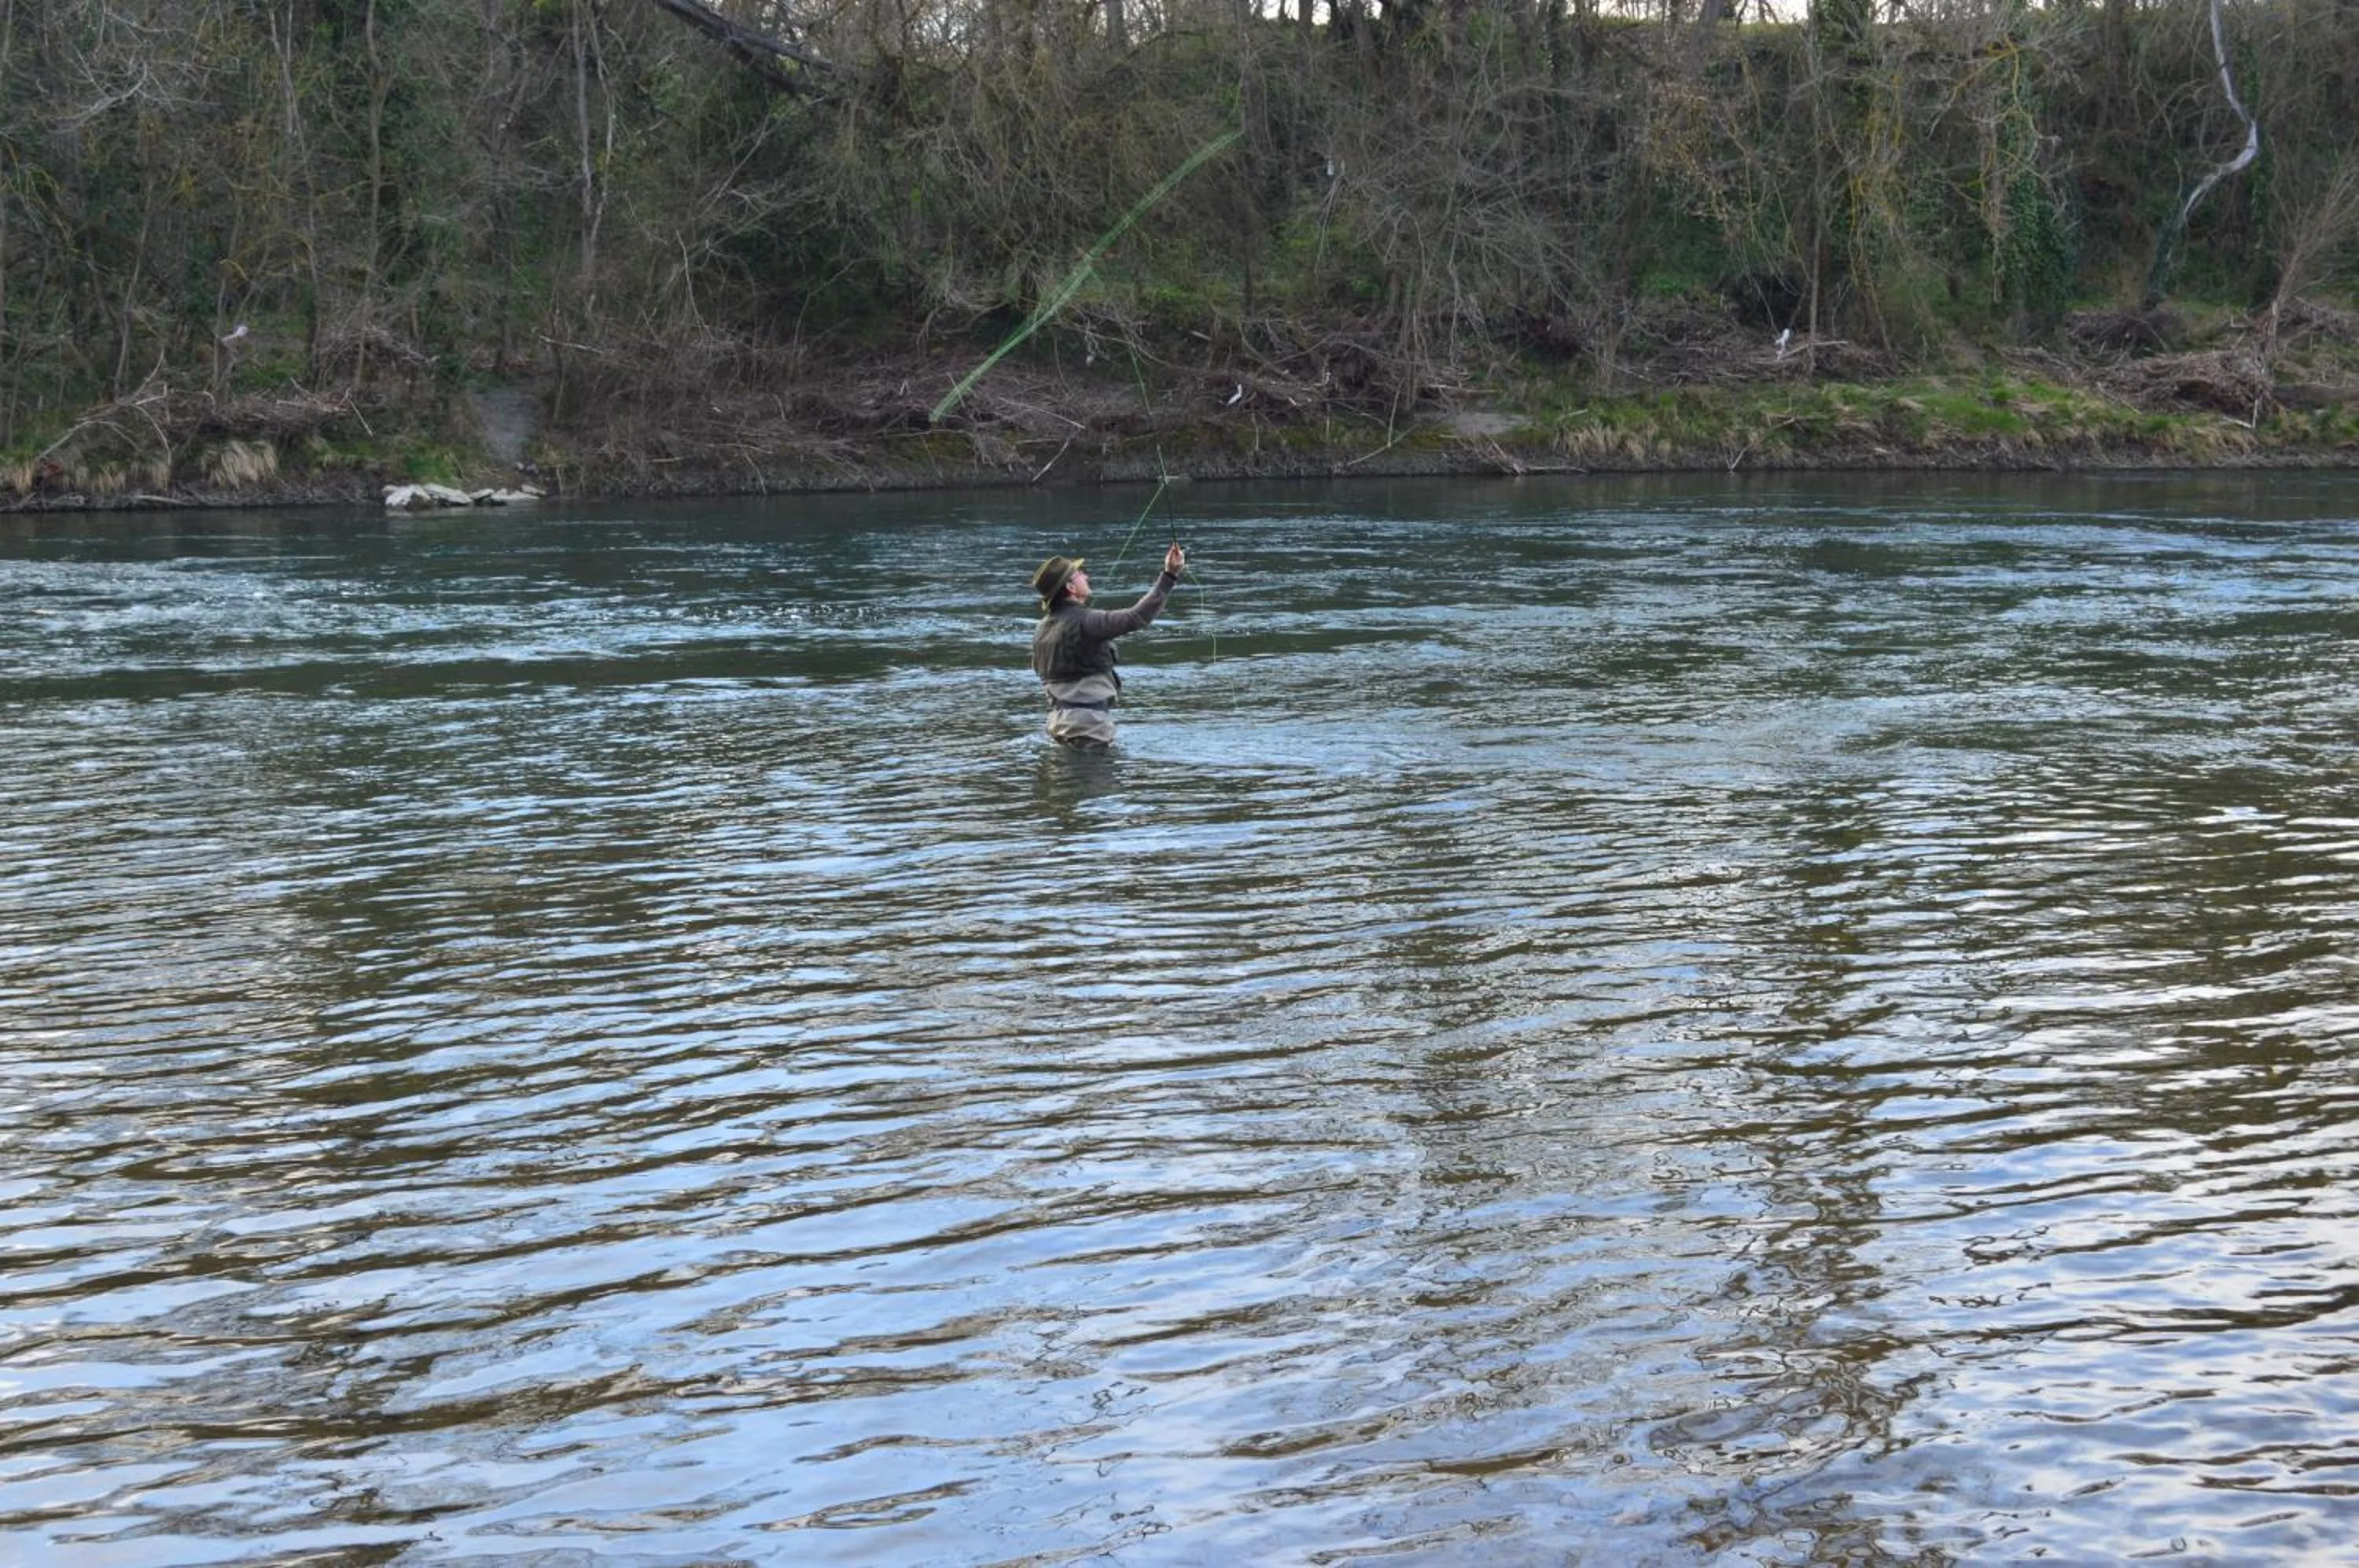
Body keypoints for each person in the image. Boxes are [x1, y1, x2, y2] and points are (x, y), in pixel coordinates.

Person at [1029, 543, 1186, 747]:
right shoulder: (1087, 622)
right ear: (1070, 588)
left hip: (1057, 726)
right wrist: (1169, 576)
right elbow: (1136, 617)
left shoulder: (1041, 630)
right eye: (1079, 574)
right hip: (1089, 729)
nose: (1085, 576)